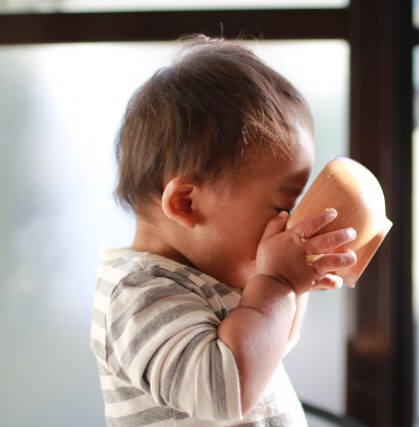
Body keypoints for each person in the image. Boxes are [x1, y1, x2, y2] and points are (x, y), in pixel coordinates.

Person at [89, 34, 357, 427]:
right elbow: (223, 391)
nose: (289, 221)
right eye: (282, 206)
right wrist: (278, 282)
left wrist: (295, 287)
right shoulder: (139, 294)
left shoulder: (208, 274)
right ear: (187, 204)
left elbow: (272, 345)